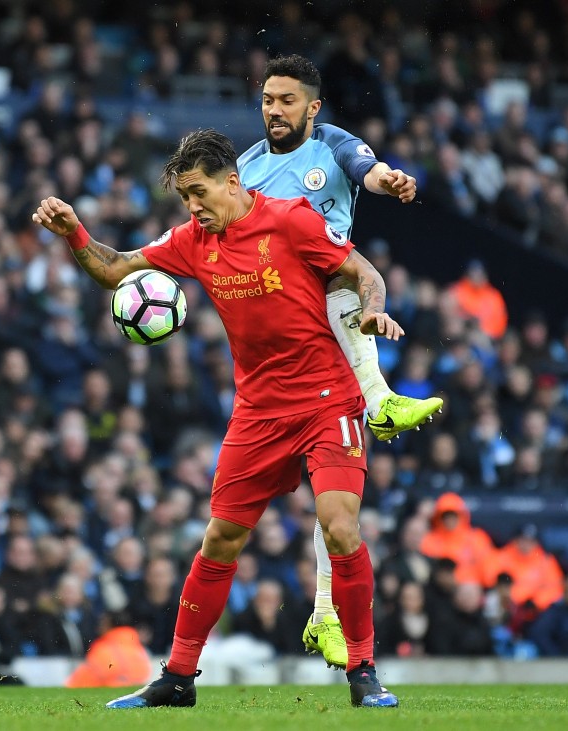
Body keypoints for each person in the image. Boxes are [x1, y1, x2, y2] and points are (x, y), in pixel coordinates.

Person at [32, 128, 400, 708]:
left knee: (340, 526)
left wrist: (374, 313)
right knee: (220, 539)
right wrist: (74, 233)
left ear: (234, 181)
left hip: (327, 400)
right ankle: (177, 678)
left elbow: (364, 274)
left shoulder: (292, 221)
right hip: (257, 413)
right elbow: (116, 269)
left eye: (199, 192)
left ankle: (363, 672)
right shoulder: (192, 240)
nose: (193, 206)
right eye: (184, 197)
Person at [238, 55, 442, 667]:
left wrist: (392, 181)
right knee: (335, 274)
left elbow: (369, 170)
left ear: (312, 107)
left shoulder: (331, 145)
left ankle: (325, 612)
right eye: (269, 99)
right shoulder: (245, 169)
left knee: (337, 492)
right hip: (275, 319)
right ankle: (379, 397)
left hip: (326, 318)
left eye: (287, 100)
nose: (275, 109)